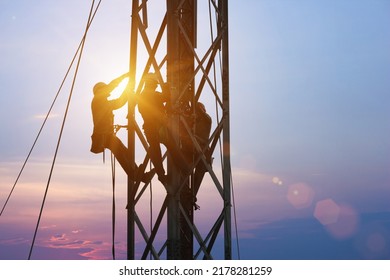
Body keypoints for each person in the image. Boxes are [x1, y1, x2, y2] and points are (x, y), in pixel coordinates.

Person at [90, 72, 152, 183]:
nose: (107, 91)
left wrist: (127, 90)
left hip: (106, 135)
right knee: (123, 154)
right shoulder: (97, 100)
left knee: (126, 153)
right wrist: (124, 77)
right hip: (103, 135)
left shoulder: (104, 103)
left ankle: (140, 175)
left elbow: (120, 102)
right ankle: (137, 175)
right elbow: (111, 87)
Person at [137, 73, 190, 184]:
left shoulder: (141, 96)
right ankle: (185, 169)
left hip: (149, 128)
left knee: (156, 153)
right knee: (172, 147)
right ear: (152, 83)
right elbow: (165, 97)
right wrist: (166, 87)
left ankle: (161, 175)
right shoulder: (153, 94)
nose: (157, 86)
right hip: (159, 128)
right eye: (156, 84)